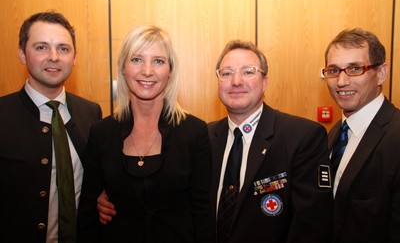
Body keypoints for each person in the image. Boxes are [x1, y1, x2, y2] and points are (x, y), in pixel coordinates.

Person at [97, 39, 333, 242]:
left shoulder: (301, 136)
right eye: (227, 73)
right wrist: (112, 194)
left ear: (265, 82)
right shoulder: (201, 137)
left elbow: (311, 225)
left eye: (248, 72)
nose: (236, 81)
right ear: (218, 81)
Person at [77, 24, 214, 242]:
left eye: (158, 61)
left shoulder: (194, 132)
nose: (147, 71)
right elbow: (87, 215)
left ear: (170, 71)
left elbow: (202, 212)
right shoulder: (101, 132)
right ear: (123, 67)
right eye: (137, 59)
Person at [0, 11, 102, 242]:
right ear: (22, 54)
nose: (54, 57)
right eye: (41, 47)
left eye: (63, 49)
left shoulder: (91, 113)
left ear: (74, 57)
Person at [322, 28, 400, 242]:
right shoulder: (335, 133)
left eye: (355, 69)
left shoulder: (395, 135)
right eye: (334, 70)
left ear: (381, 73)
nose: (341, 81)